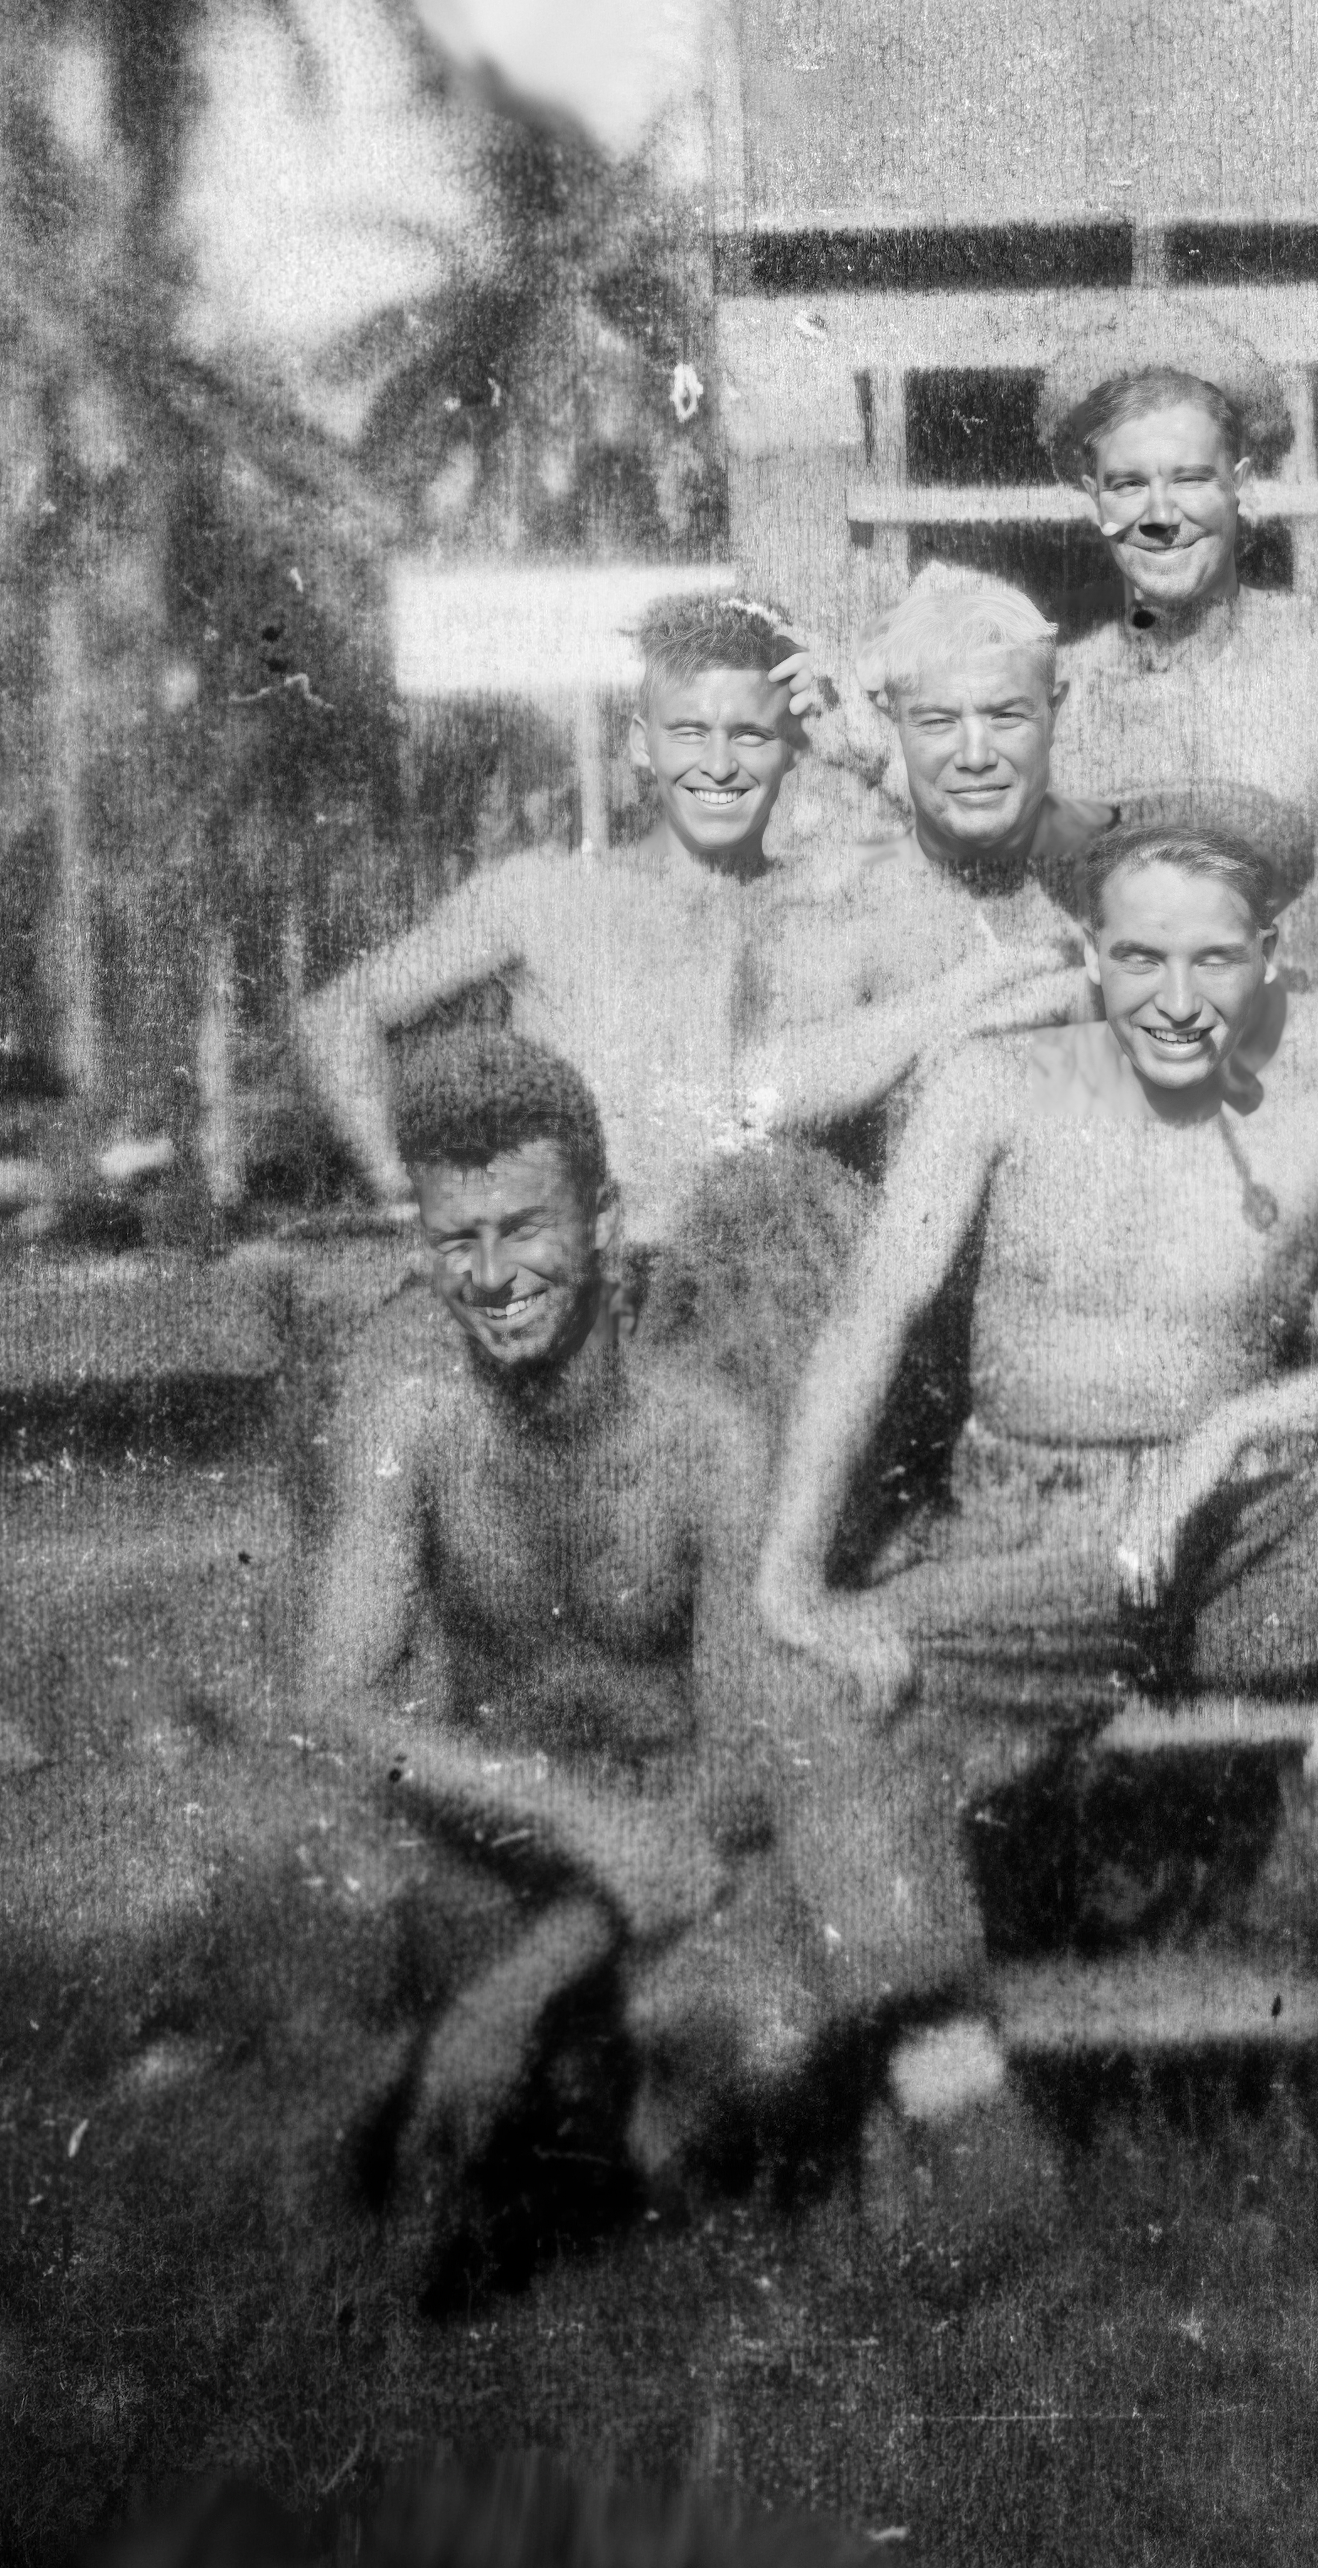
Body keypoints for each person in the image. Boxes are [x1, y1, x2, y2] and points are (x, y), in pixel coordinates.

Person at [749, 784, 1318, 2211]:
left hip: (1233, 1537)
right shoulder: (995, 1087)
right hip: (1038, 1535)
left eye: (1212, 960)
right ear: (1088, 949)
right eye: (1139, 957)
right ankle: (965, 2113)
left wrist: (1245, 1421)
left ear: (1265, 960)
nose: (1176, 996)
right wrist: (789, 1574)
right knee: (803, 1685)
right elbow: (868, 1318)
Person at [297, 1028, 821, 2248]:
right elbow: (335, 1702)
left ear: (601, 1220)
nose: (491, 1274)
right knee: (334, 1962)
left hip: (678, 1844)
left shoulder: (708, 1437)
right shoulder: (411, 1418)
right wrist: (561, 1812)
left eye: (524, 1227)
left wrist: (510, 1991)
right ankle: (548, 2099)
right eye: (456, 1239)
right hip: (508, 1826)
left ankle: (574, 2095)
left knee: (768, 2042)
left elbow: (743, 1763)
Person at [295, 591, 825, 1260]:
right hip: (573, 1292)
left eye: (750, 734)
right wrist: (410, 1201)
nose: (718, 765)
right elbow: (336, 1015)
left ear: (792, 749)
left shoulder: (810, 909)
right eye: (689, 732)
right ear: (640, 744)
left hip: (739, 1302)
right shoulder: (549, 894)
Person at [1037, 307, 1318, 993]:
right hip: (1114, 1057)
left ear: (1243, 487)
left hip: (1308, 1044)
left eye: (1191, 479)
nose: (1161, 517)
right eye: (1129, 483)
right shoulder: (1056, 689)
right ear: (1093, 503)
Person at [736, 561, 1100, 1158]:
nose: (976, 755)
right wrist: (979, 991)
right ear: (893, 728)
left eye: (1005, 715)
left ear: (1055, 712)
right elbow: (761, 1093)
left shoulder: (1097, 878)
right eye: (938, 722)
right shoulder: (856, 890)